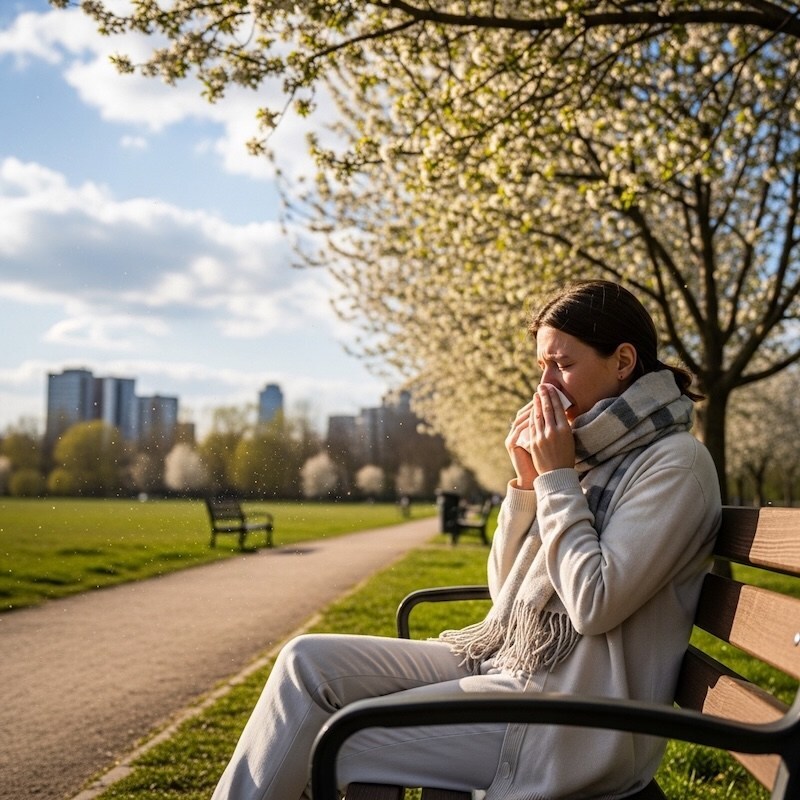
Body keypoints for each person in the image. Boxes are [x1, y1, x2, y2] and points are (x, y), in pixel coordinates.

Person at [211, 280, 721, 800]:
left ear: (623, 361)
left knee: (339, 741)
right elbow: (504, 595)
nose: (545, 386)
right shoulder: (591, 453)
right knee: (305, 663)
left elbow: (594, 604)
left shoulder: (674, 464)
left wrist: (556, 480)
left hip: (573, 721)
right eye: (541, 367)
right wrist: (526, 485)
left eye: (562, 365)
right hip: (508, 663)